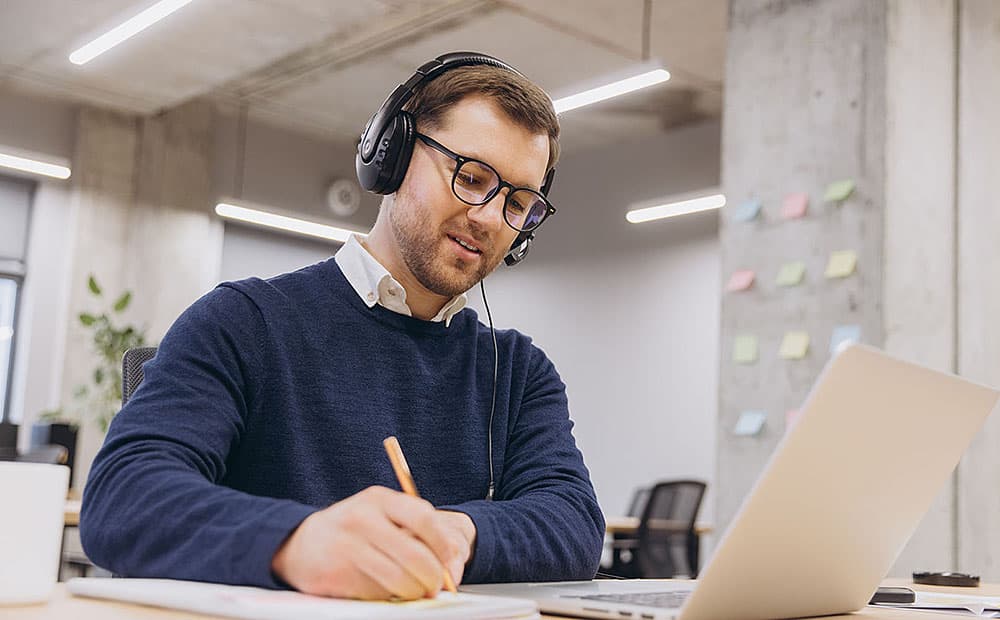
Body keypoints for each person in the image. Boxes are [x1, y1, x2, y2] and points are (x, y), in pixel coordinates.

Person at [80, 52, 604, 601]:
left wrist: (459, 534)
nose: (490, 219)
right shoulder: (244, 322)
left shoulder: (518, 371)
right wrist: (298, 541)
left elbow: (572, 522)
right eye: (471, 178)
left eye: (519, 203)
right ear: (393, 157)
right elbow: (124, 496)